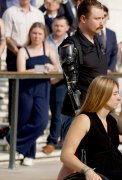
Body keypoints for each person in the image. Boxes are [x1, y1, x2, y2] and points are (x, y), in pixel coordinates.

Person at [57, 0, 107, 178]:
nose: (101, 22)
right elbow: (71, 87)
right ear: (83, 19)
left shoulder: (99, 41)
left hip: (97, 112)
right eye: (97, 18)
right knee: (74, 161)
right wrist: (82, 116)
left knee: (90, 161)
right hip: (77, 114)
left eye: (103, 18)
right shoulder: (70, 45)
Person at [8, 22, 59, 166]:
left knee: (41, 122)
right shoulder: (23, 50)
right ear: (30, 34)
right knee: (24, 120)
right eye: (34, 33)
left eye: (40, 34)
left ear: (44, 36)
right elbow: (21, 71)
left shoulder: (48, 48)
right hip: (26, 88)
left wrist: (51, 68)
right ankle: (29, 155)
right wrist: (41, 68)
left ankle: (12, 138)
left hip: (42, 88)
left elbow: (57, 68)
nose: (37, 36)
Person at [2, 0, 44, 129]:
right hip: (15, 53)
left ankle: (30, 126)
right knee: (15, 92)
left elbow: (42, 34)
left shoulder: (38, 13)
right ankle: (12, 127)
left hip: (35, 54)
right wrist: (20, 52)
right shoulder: (10, 12)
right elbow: (6, 37)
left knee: (34, 91)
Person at [42, 16, 70, 155]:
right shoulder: (45, 40)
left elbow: (72, 65)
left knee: (57, 112)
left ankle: (52, 141)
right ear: (52, 26)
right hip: (44, 80)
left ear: (67, 27)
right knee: (41, 110)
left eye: (61, 26)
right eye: (56, 25)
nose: (58, 28)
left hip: (62, 81)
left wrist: (58, 76)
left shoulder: (71, 42)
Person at [97, 5, 117, 72]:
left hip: (108, 72)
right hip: (94, 71)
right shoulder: (91, 32)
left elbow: (114, 54)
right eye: (100, 16)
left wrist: (110, 69)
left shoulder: (112, 34)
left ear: (108, 17)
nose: (102, 18)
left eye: (104, 16)